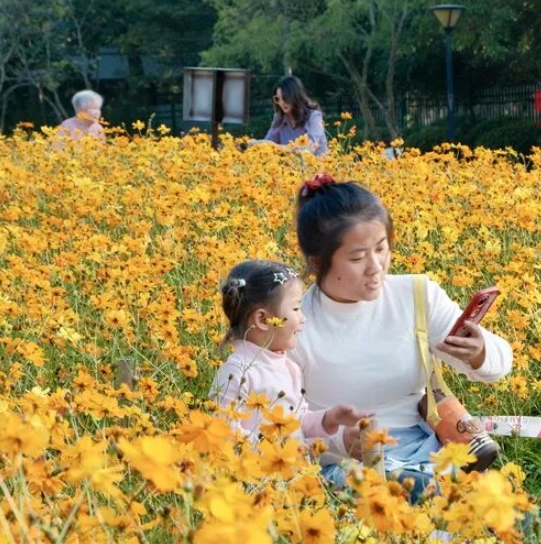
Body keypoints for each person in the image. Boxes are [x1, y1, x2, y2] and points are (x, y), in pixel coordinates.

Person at [289, 175, 514, 503]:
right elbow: (275, 422)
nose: (375, 267)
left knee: (500, 510)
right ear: (318, 262)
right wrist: (338, 440)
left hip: (423, 452)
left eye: (381, 249)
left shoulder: (416, 295)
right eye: (356, 258)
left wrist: (479, 353)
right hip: (341, 464)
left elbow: (498, 367)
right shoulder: (296, 322)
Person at [210, 259, 367, 446]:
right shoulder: (236, 372)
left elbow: (297, 422)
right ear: (263, 319)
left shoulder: (289, 368)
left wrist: (328, 419)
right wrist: (272, 451)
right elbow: (222, 431)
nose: (303, 318)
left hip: (291, 471)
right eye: (295, 308)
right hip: (255, 472)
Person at [250, 75, 328, 156]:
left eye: (284, 97)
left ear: (295, 96)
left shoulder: (314, 117)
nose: (281, 102)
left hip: (318, 165)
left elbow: (309, 149)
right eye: (277, 99)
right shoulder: (279, 119)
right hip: (291, 166)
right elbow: (268, 143)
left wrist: (277, 148)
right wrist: (256, 145)